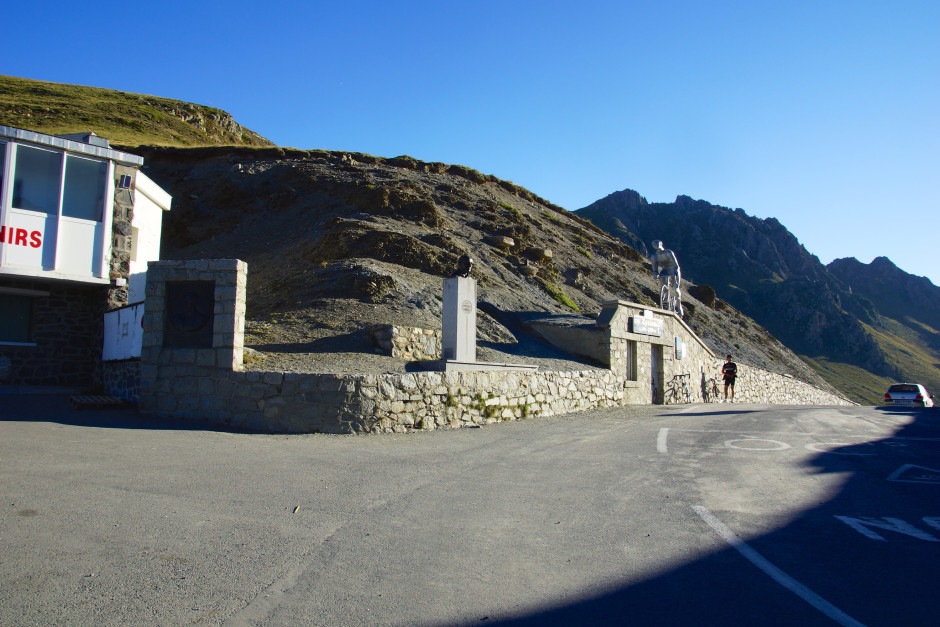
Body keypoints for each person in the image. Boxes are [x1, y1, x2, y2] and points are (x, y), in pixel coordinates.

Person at [650, 240, 683, 317]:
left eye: (657, 243)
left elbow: (676, 265)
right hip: (665, 269)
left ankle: (679, 304)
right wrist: (655, 274)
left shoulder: (668, 252)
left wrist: (676, 273)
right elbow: (655, 269)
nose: (656, 244)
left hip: (674, 268)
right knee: (663, 283)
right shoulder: (654, 256)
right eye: (654, 244)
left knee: (675, 288)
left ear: (661, 243)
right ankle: (665, 300)